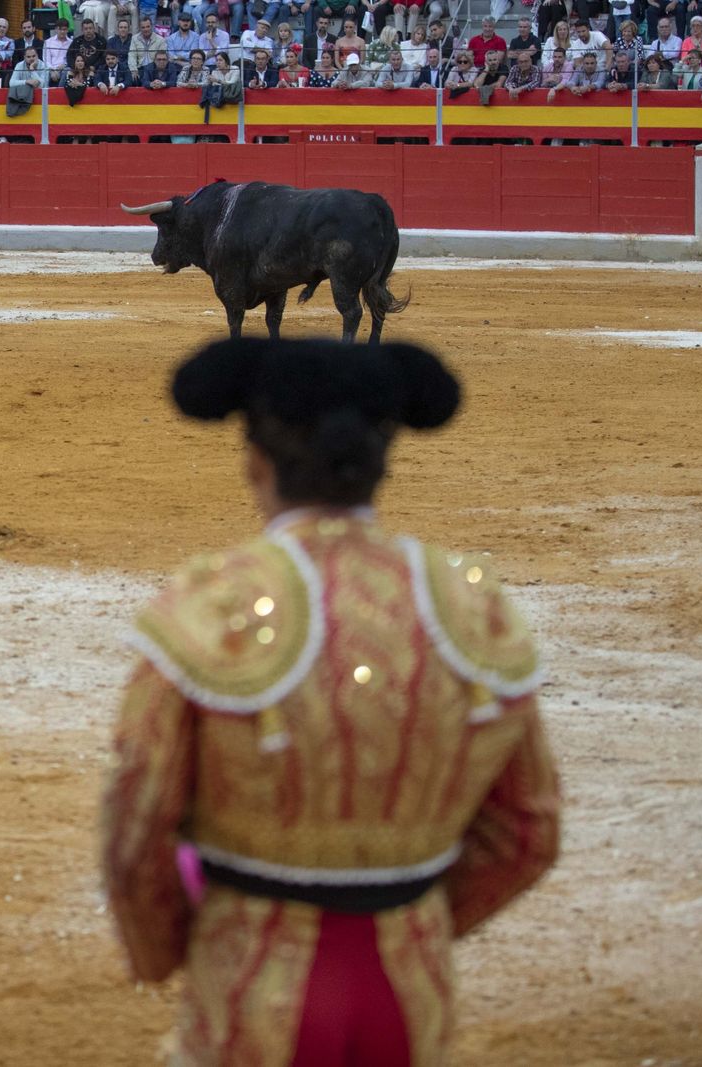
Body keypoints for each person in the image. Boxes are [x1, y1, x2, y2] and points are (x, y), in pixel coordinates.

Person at [102, 335, 560, 1067]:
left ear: (255, 458)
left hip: (253, 975)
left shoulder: (209, 605)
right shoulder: (474, 610)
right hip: (410, 988)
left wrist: (177, 949)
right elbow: (529, 829)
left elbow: (136, 823)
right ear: (384, 460)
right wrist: (417, 919)